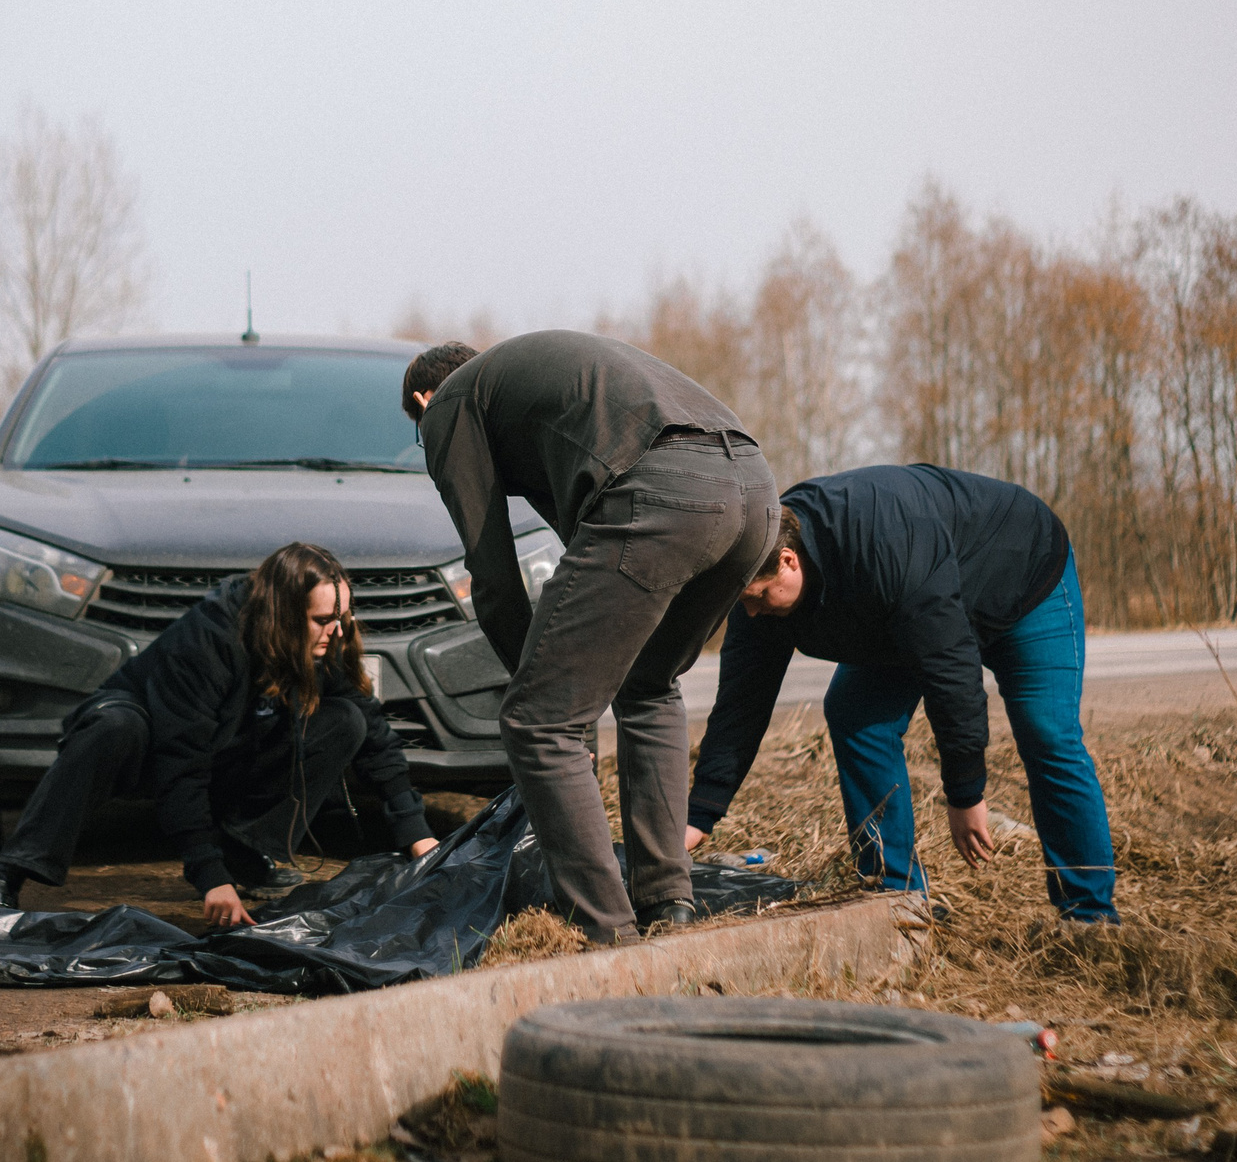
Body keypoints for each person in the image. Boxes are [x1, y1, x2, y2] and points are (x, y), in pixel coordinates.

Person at [405, 332, 777, 945]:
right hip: (754, 491)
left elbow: (492, 573)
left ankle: (605, 935)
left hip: (663, 489)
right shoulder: (531, 384)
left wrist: (539, 685)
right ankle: (667, 901)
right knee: (650, 684)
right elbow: (586, 536)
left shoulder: (449, 403)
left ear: (423, 399)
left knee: (537, 721)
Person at [684, 465, 1120, 922]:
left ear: (789, 561)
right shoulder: (756, 582)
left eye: (759, 598)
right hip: (915, 609)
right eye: (744, 602)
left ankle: (1090, 915)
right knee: (855, 714)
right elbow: (740, 705)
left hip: (1022, 574)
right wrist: (700, 817)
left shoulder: (881, 543)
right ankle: (894, 898)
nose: (750, 614)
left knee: (1047, 732)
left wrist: (965, 793)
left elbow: (951, 673)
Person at [0, 540, 440, 924]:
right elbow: (182, 763)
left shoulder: (323, 639)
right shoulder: (211, 640)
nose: (335, 633)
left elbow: (375, 731)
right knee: (113, 728)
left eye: (341, 620)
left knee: (347, 721)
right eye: (322, 621)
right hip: (148, 739)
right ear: (282, 613)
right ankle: (9, 875)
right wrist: (208, 876)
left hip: (222, 743)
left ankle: (246, 851)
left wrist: (418, 836)